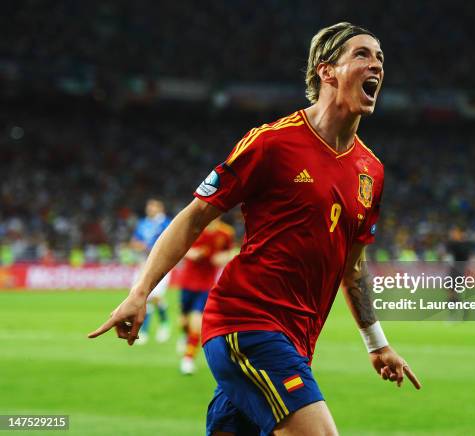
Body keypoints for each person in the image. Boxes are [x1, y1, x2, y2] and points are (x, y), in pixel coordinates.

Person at [89, 22, 421, 435]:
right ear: (327, 71)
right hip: (246, 324)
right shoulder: (272, 143)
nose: (376, 65)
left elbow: (352, 268)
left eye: (380, 58)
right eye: (363, 55)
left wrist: (377, 344)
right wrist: (139, 293)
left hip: (297, 341)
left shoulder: (371, 170)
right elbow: (195, 216)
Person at [177, 218, 236, 375]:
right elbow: (180, 246)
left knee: (196, 321)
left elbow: (231, 252)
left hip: (206, 285)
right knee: (183, 322)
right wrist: (191, 253)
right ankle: (185, 336)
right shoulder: (194, 227)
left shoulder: (226, 232)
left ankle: (187, 359)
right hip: (187, 283)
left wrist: (223, 257)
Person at [129, 198, 172, 344]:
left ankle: (164, 324)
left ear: (160, 208)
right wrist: (138, 245)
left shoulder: (166, 223)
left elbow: (171, 241)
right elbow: (134, 242)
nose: (150, 208)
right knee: (142, 296)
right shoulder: (143, 223)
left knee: (155, 296)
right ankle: (144, 330)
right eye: (149, 206)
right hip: (144, 263)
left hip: (162, 264)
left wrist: (151, 247)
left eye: (153, 206)